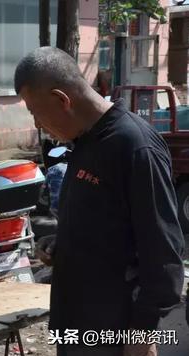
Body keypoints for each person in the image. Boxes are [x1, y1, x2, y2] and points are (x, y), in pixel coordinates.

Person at [14, 47, 185, 356]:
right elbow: (104, 222)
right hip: (75, 322)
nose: (37, 124)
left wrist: (142, 333)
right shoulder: (85, 141)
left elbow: (163, 251)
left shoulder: (134, 146)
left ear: (62, 100)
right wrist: (60, 242)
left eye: (35, 112)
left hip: (113, 330)